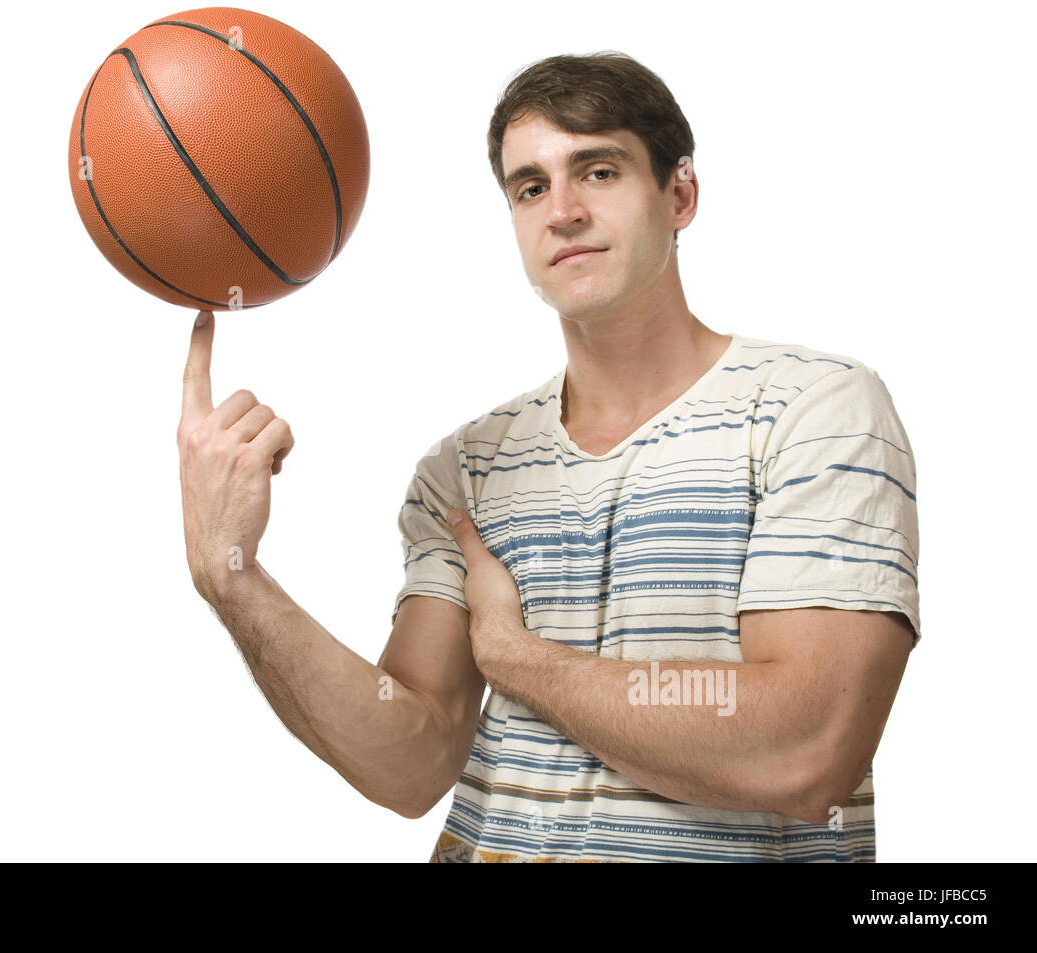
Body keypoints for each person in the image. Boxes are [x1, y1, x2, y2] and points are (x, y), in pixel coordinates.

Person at [178, 51, 920, 862]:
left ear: (680, 194)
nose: (561, 211)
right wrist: (236, 578)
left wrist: (515, 658)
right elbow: (413, 757)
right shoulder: (466, 467)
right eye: (530, 187)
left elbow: (804, 749)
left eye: (598, 171)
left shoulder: (812, 411)